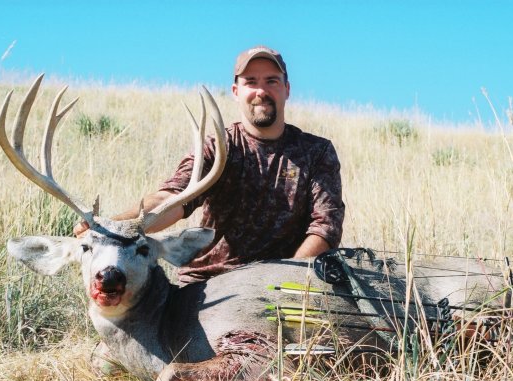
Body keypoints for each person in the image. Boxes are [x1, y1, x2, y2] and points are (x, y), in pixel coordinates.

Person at [74, 45, 345, 285]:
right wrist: (110, 225)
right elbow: (173, 199)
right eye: (251, 82)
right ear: (236, 92)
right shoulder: (218, 146)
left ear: (286, 89)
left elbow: (325, 228)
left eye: (271, 81)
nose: (261, 91)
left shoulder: (316, 152)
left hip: (279, 283)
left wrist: (289, 280)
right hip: (207, 282)